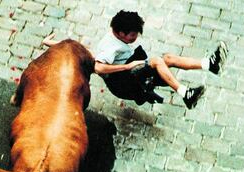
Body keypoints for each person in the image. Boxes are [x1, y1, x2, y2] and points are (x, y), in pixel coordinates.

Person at [42, 10, 228, 109]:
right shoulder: (111, 47)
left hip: (132, 73)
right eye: (132, 35)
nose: (135, 37)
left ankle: (209, 65)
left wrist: (52, 43)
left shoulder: (114, 34)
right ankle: (185, 94)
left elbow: (80, 48)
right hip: (125, 83)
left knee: (168, 58)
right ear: (121, 33)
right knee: (156, 61)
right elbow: (98, 68)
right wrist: (128, 66)